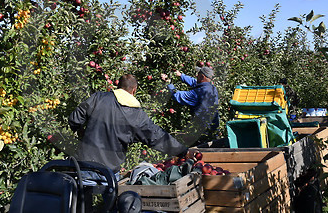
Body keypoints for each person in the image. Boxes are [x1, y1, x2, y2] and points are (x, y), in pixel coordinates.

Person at [68, 74, 196, 176]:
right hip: (109, 170)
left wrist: (80, 132)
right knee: (108, 205)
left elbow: (74, 118)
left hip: (84, 164)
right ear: (134, 90)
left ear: (118, 85)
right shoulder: (137, 115)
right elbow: (157, 137)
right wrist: (182, 151)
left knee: (81, 204)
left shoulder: (98, 97)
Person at [161, 66, 219, 144]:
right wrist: (181, 75)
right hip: (213, 128)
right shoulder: (212, 88)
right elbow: (195, 82)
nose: (196, 76)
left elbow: (177, 95)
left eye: (198, 74)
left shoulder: (197, 93)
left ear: (202, 76)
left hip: (200, 132)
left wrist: (168, 82)